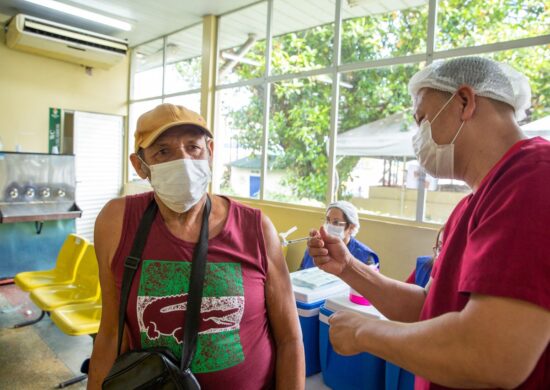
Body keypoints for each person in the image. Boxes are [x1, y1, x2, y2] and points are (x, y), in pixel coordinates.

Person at [307, 57, 550, 389]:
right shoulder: (472, 203)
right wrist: (348, 267)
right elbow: (428, 307)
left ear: (464, 101)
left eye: (422, 119)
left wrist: (366, 332)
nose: (417, 137)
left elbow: (492, 355)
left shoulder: (534, 178)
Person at [87, 104, 305, 389]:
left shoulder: (255, 227)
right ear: (140, 165)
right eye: (163, 151)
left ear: (210, 152)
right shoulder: (116, 222)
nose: (184, 161)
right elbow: (111, 333)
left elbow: (289, 338)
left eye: (193, 147)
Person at [299, 201, 379, 270]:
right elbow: (299, 273)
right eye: (327, 220)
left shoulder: (365, 256)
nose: (329, 225)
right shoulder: (317, 248)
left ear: (351, 227)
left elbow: (370, 286)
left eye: (336, 222)